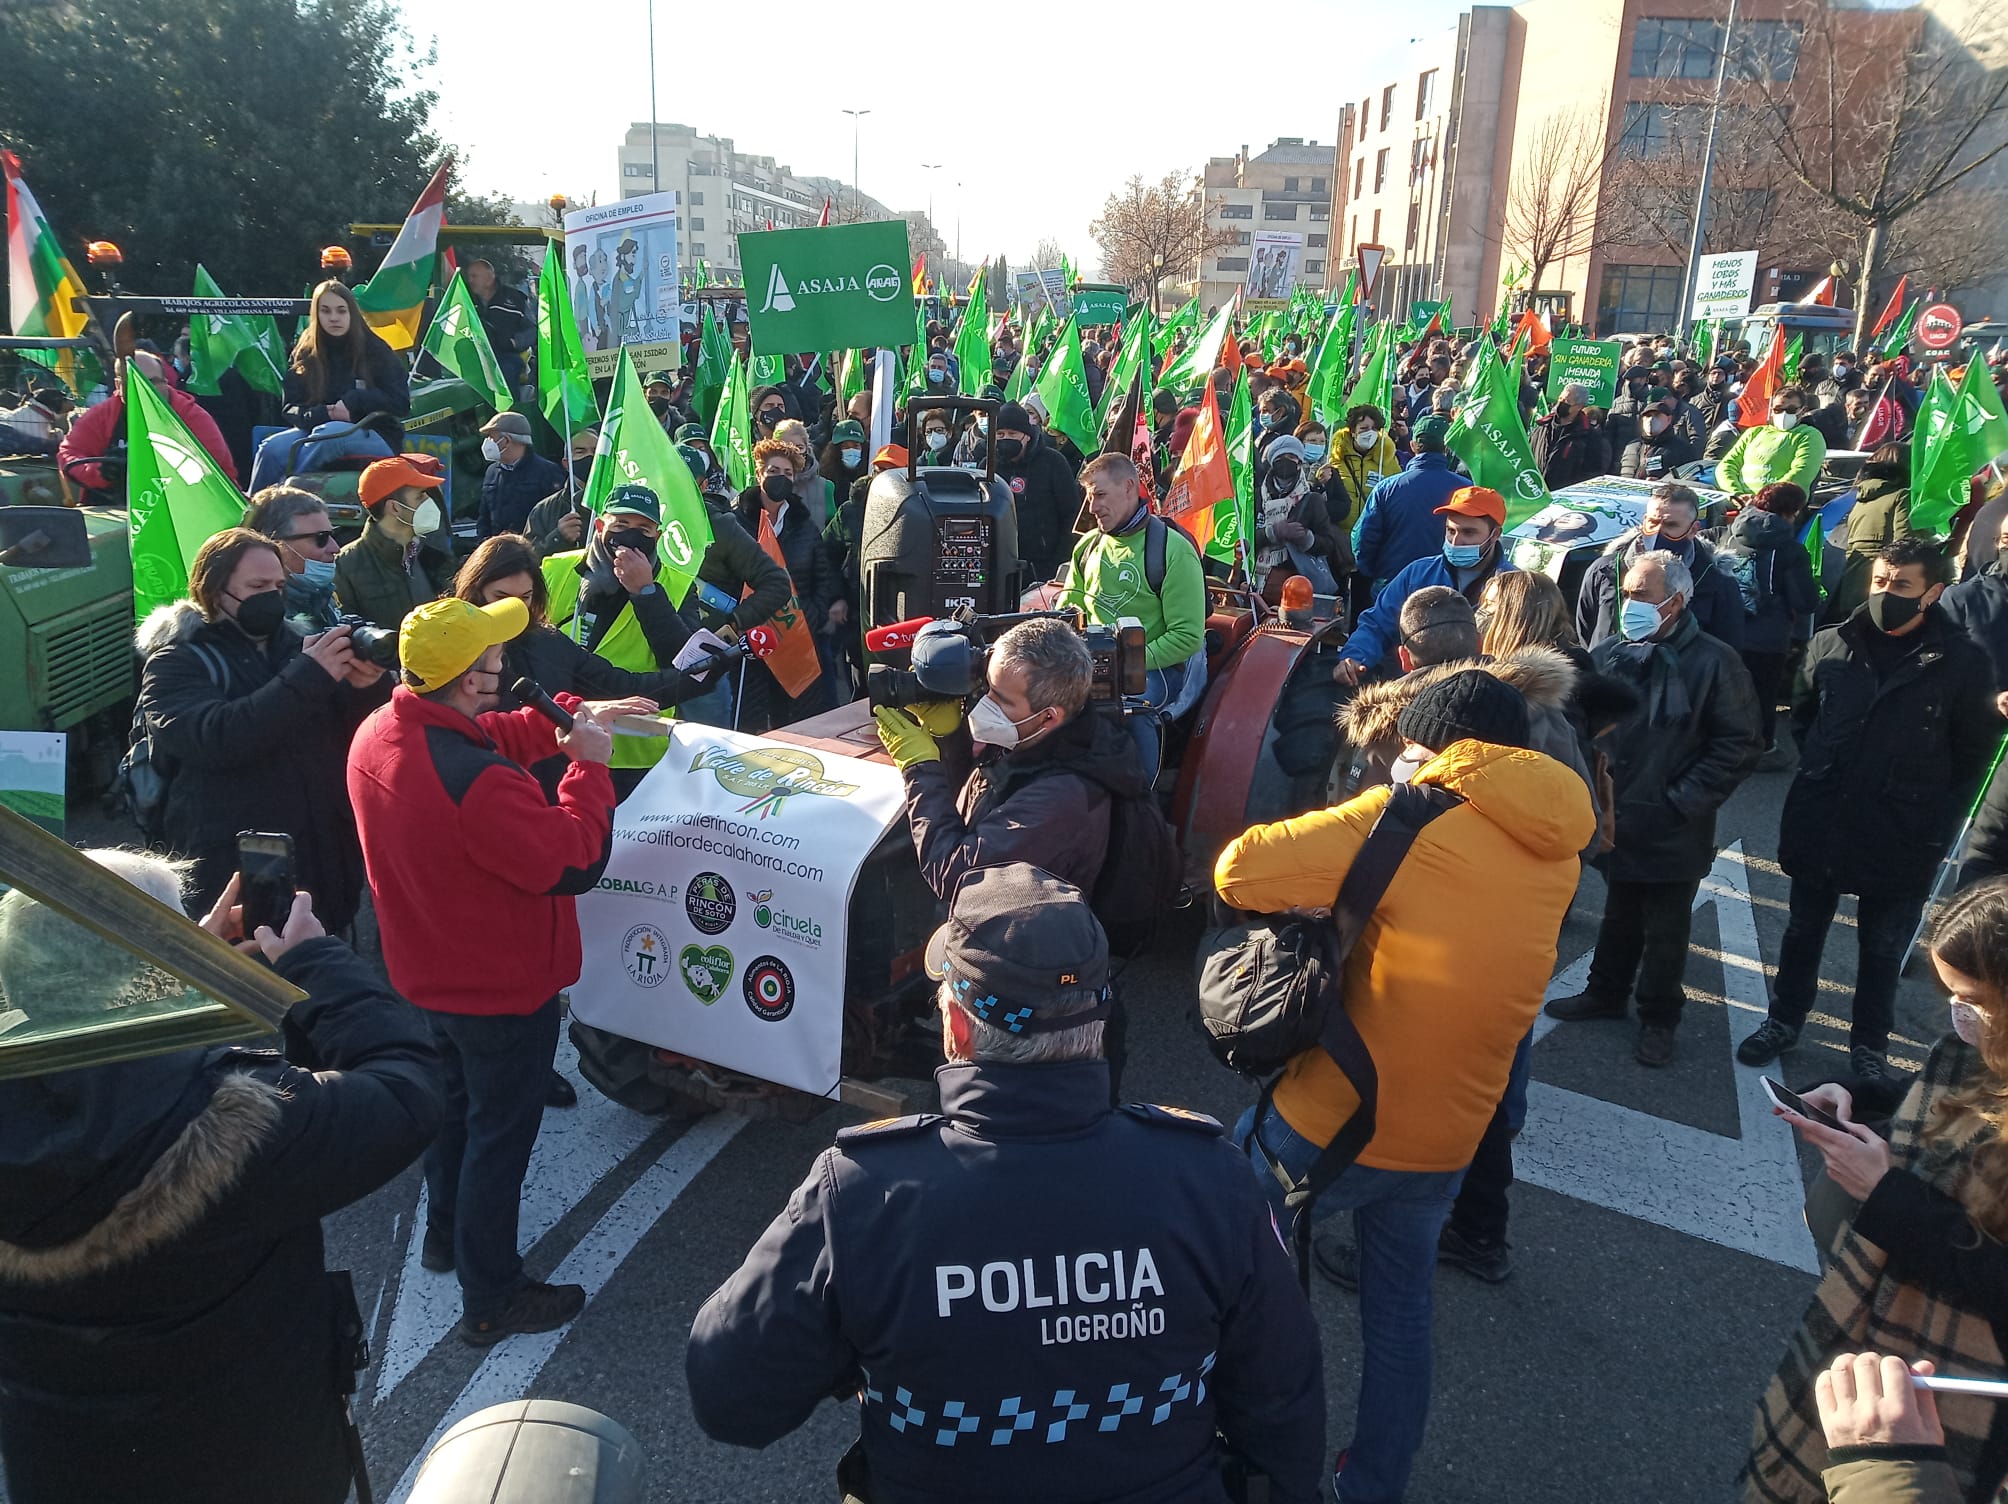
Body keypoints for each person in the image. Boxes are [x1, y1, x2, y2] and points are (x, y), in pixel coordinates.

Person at [687, 864, 1326, 1504]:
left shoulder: (862, 1194)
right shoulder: (1210, 1179)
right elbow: (1283, 1404)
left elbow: (730, 1398)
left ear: (957, 1028)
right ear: (1098, 1025)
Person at [1217, 671, 1594, 1504]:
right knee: (1399, 1315)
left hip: (1335, 1116)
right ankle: (1372, 1482)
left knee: (1222, 1250)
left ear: (1429, 747)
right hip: (1451, 1132)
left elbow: (1240, 871)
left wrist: (1393, 793)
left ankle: (1234, 1449)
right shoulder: (1556, 839)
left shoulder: (1407, 814)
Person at [0, 855, 441, 1504]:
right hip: (255, 1463)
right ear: (149, 965)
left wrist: (173, 974)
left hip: (62, 1465)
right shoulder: (232, 1123)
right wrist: (314, 960)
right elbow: (407, 1086)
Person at [347, 595, 620, 1345]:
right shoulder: (478, 782)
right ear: (471, 679)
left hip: (428, 972)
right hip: (500, 987)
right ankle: (493, 1295)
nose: (508, 665)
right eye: (497, 661)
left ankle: (444, 1237)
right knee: (501, 1140)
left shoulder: (381, 729)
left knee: (455, 1117)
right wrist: (587, 768)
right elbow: (573, 859)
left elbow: (489, 731)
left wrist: (562, 712)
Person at [1745, 880, 2008, 1504]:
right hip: (1883, 1345)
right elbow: (1952, 1101)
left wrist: (1886, 1194)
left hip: (1951, 1393)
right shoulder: (1980, 1047)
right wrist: (1861, 1096)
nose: (1958, 1017)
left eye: (1973, 1001)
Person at [1737, 539, 1996, 1078]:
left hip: (1903, 832)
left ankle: (1869, 1050)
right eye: (1880, 581)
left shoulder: (1963, 662)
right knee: (1802, 932)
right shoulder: (1831, 645)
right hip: (1824, 819)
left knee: (1881, 949)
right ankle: (1783, 1021)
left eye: (1901, 585)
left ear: (1934, 593)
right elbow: (1806, 721)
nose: (1885, 593)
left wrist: (1931, 817)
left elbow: (1972, 756)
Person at [1546, 552, 1762, 1065]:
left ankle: (1659, 1017)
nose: (1628, 604)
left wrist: (1679, 801)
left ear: (1676, 601)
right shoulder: (1616, 651)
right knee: (1619, 910)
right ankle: (1605, 992)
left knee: (1666, 929)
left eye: (1641, 595)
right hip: (1619, 816)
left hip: (1672, 822)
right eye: (1626, 593)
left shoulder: (1715, 662)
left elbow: (1739, 744)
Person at [136, 526, 383, 932]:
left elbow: (360, 740)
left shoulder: (299, 648)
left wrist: (365, 687)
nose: (272, 595)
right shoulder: (176, 662)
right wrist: (308, 677)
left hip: (324, 871)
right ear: (215, 592)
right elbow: (216, 737)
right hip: (238, 883)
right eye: (257, 585)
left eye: (279, 584)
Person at [872, 616, 1147, 900]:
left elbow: (955, 877)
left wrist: (921, 769)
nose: (985, 703)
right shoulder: (1027, 738)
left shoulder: (1062, 799)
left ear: (1048, 717)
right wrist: (951, 738)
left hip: (1025, 936)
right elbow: (971, 809)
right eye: (987, 687)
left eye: (1000, 699)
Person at [1056, 454, 1207, 775]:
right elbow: (1068, 611)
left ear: (1128, 488)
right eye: (1088, 497)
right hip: (1092, 663)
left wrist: (1124, 663)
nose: (1092, 507)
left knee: (1126, 703)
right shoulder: (1087, 548)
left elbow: (1187, 637)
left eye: (1099, 495)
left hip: (1159, 670)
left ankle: (1143, 800)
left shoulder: (1172, 550)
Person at [1336, 485, 1518, 686]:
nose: (1456, 541)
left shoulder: (1513, 587)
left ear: (1494, 535)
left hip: (1482, 692)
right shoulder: (1418, 573)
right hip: (1411, 690)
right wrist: (1354, 656)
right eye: (1450, 531)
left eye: (1469, 532)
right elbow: (1378, 623)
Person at [733, 438, 837, 729]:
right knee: (750, 722)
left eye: (788, 473)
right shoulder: (737, 521)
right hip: (750, 638)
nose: (781, 478)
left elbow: (822, 577)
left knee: (793, 722)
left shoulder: (804, 525)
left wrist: (814, 615)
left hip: (795, 634)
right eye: (774, 471)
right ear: (759, 475)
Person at [1574, 481, 1746, 650]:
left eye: (1671, 525)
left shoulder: (1717, 583)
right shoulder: (1605, 570)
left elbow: (1727, 649)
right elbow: (1586, 631)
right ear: (1644, 521)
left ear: (1693, 529)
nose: (1657, 533)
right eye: (1653, 523)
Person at [1719, 482, 1822, 764]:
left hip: (1728, 627)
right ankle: (1761, 751)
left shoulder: (1731, 534)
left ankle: (1720, 744)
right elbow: (1805, 601)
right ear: (1791, 511)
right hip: (1769, 637)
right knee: (1763, 695)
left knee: (1725, 689)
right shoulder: (1789, 549)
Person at [59, 351, 237, 495]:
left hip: (182, 506)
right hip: (113, 506)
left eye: (152, 382)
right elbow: (68, 454)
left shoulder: (192, 417)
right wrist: (100, 471)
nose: (145, 390)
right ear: (118, 385)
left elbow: (215, 471)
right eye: (135, 383)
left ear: (166, 382)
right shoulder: (102, 415)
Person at [280, 278, 410, 449]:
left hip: (375, 433)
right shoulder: (305, 351)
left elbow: (400, 402)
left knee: (326, 437)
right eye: (325, 311)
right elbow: (290, 407)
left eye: (341, 311)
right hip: (313, 429)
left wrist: (354, 400)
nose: (334, 318)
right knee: (271, 448)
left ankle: (295, 477)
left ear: (352, 313)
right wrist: (321, 414)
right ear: (316, 314)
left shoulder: (375, 349)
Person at [1351, 413, 1463, 590]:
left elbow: (1363, 538)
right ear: (1448, 447)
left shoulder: (1386, 488)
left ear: (1412, 446)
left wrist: (1373, 573)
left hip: (1392, 583)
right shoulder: (1466, 490)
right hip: (1444, 587)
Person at [1252, 434, 1350, 601]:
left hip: (1299, 585)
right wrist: (1272, 532)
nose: (1286, 461)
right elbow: (1245, 538)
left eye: (1291, 457)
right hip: (1260, 583)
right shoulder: (1256, 496)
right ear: (1271, 461)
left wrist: (1307, 538)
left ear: (1299, 462)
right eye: (1280, 457)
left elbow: (1327, 544)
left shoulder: (1311, 500)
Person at [994, 399, 1081, 584]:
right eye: (1000, 434)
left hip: (1043, 567)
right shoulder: (988, 465)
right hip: (1000, 564)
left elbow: (1070, 513)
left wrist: (1058, 561)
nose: (1005, 438)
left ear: (1026, 435)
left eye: (1012, 433)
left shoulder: (1053, 463)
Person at [1830, 443, 1916, 620]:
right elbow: (1904, 545)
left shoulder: (1860, 498)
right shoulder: (1901, 496)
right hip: (1882, 585)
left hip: (1852, 581)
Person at [242, 484, 342, 632]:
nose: (336, 548)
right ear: (277, 545)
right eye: (321, 538)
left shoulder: (321, 596)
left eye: (332, 535)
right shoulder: (262, 619)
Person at [1718, 383, 1827, 497]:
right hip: (1739, 502)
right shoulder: (1754, 433)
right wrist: (1736, 494)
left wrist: (1763, 500)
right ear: (1771, 410)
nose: (1784, 414)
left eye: (1791, 409)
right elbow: (1726, 465)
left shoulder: (1810, 436)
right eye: (1778, 409)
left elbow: (1800, 474)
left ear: (1803, 410)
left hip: (1780, 507)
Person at [475, 411, 569, 539]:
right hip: (499, 552)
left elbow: (556, 516)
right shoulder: (492, 472)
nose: (488, 442)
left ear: (507, 440)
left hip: (533, 551)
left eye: (492, 437)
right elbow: (484, 517)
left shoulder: (548, 472)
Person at [464, 258, 531, 395]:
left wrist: (514, 342)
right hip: (472, 356)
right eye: (469, 276)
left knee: (505, 371)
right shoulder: (464, 299)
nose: (470, 280)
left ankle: (509, 413)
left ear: (489, 278)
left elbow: (533, 330)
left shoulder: (516, 299)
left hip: (506, 356)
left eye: (474, 276)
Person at [1531, 383, 1612, 490]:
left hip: (1566, 499)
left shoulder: (1590, 437)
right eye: (1560, 398)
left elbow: (1593, 473)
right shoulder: (1541, 428)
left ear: (1579, 406)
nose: (1560, 403)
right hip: (1537, 494)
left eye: (1567, 401)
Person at [1620, 391, 1699, 480]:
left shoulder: (1683, 449)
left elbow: (1691, 479)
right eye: (1648, 416)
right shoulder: (1632, 446)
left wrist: (1663, 482)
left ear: (1669, 419)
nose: (1651, 420)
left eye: (1657, 415)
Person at [0, 385, 72, 455]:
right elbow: (45, 442)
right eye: (65, 399)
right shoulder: (36, 420)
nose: (69, 401)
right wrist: (59, 435)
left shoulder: (33, 413)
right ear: (55, 402)